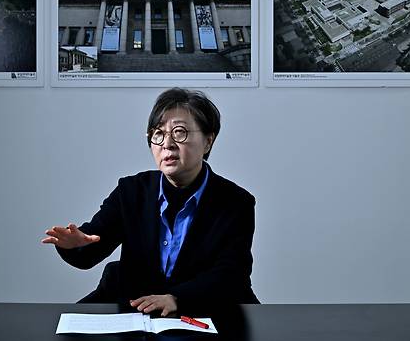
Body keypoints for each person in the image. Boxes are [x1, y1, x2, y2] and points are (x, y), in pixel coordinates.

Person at [42, 88, 259, 316]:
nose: (167, 144)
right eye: (158, 134)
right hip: (137, 310)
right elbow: (91, 247)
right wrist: (76, 244)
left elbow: (231, 273)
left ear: (208, 141)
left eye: (180, 132)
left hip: (206, 310)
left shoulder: (236, 202)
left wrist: (178, 298)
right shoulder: (132, 191)